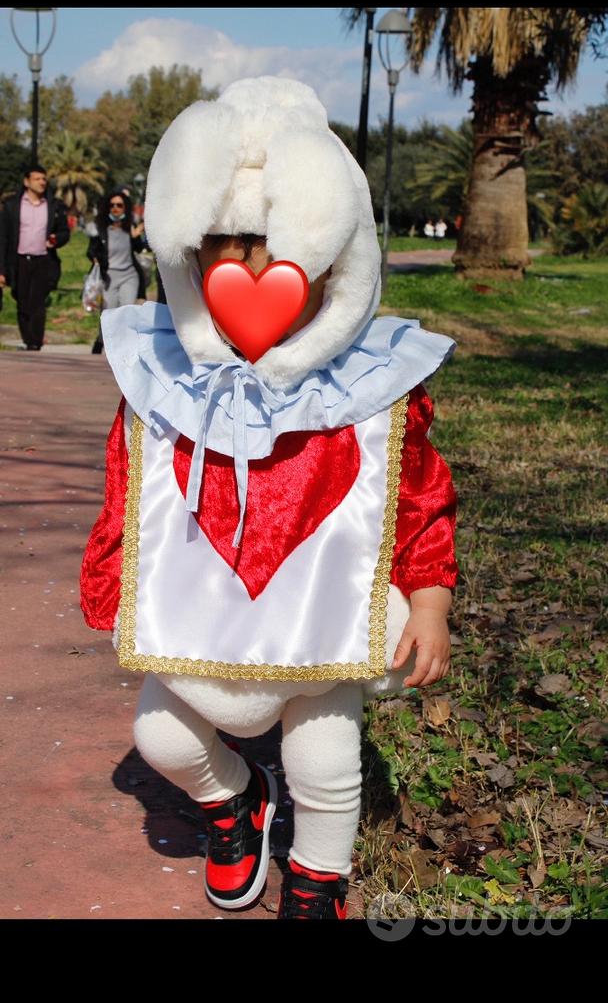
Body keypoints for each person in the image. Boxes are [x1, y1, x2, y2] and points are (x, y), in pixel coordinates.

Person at [80, 77, 458, 920]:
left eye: (279, 251)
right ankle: (236, 802)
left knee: (325, 760)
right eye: (224, 245)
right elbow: (128, 486)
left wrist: (428, 603)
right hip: (201, 615)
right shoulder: (160, 380)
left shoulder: (371, 387)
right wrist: (111, 582)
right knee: (162, 736)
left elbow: (421, 501)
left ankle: (319, 878)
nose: (248, 271)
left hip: (320, 612)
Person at [0, 165, 70, 349]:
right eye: (37, 179)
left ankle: (35, 343)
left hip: (44, 260)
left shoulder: (53, 206)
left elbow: (64, 232)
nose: (42, 182)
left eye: (44, 179)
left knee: (38, 302)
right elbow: (3, 238)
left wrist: (56, 239)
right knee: (22, 301)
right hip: (19, 261)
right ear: (26, 182)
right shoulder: (11, 206)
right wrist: (2, 270)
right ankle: (27, 339)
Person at [87, 190, 147, 354]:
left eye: (119, 205)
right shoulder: (100, 230)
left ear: (125, 208)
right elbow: (91, 251)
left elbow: (140, 248)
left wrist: (135, 236)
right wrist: (95, 258)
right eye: (112, 205)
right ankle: (101, 340)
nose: (115, 208)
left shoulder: (130, 228)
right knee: (108, 313)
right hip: (109, 277)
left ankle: (123, 347)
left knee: (126, 310)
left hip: (129, 276)